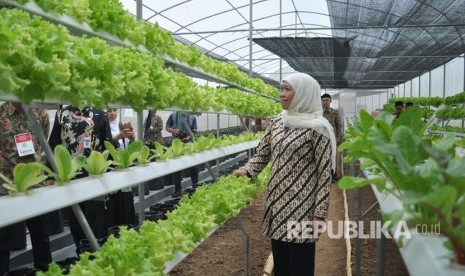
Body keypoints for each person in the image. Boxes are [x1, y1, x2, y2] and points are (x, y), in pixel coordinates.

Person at [233, 72, 335, 276]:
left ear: (303, 94)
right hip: (277, 205)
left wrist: (319, 214)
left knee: (300, 267)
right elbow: (263, 154)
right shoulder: (277, 122)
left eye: (287, 89)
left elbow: (325, 175)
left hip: (303, 209)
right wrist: (247, 170)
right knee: (280, 265)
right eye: (281, 89)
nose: (282, 94)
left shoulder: (318, 129)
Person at [48, 106, 114, 254]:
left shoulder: (99, 113)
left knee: (95, 218)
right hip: (71, 176)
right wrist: (51, 174)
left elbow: (107, 143)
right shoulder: (62, 114)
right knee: (75, 219)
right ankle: (81, 253)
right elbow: (53, 143)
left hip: (94, 175)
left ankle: (96, 255)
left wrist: (110, 170)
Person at [0, 102, 52, 274]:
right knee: (2, 237)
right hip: (6, 183)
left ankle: (44, 270)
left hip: (33, 183)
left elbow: (43, 139)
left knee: (41, 233)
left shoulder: (40, 113)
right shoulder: (1, 113)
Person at [105, 108, 136, 229]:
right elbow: (103, 145)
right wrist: (117, 137)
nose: (112, 113)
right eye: (109, 111)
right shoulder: (103, 127)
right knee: (114, 201)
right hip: (111, 168)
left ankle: (127, 227)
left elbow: (128, 147)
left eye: (114, 110)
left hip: (123, 166)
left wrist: (132, 139)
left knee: (125, 200)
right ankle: (115, 230)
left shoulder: (120, 125)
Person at [165, 111, 198, 197]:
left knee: (193, 166)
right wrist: (174, 130)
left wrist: (189, 137)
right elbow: (167, 127)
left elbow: (194, 130)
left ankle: (195, 186)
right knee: (177, 167)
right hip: (177, 144)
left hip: (189, 145)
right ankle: (178, 189)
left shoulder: (192, 116)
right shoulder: (173, 115)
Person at [321, 93, 343, 180]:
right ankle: (325, 175)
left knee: (333, 156)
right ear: (321, 102)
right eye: (324, 100)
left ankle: (333, 175)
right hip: (322, 138)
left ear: (330, 101)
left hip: (333, 138)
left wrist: (339, 137)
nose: (325, 102)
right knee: (325, 157)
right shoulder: (319, 113)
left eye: (327, 100)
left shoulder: (335, 112)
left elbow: (339, 125)